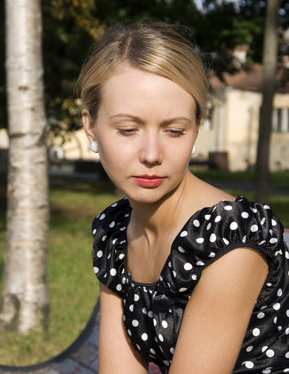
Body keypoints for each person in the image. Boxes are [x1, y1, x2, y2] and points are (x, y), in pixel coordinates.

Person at [77, 22, 289, 373]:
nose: (150, 154)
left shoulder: (231, 237)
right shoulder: (115, 232)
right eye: (128, 129)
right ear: (90, 125)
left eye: (174, 131)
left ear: (196, 128)